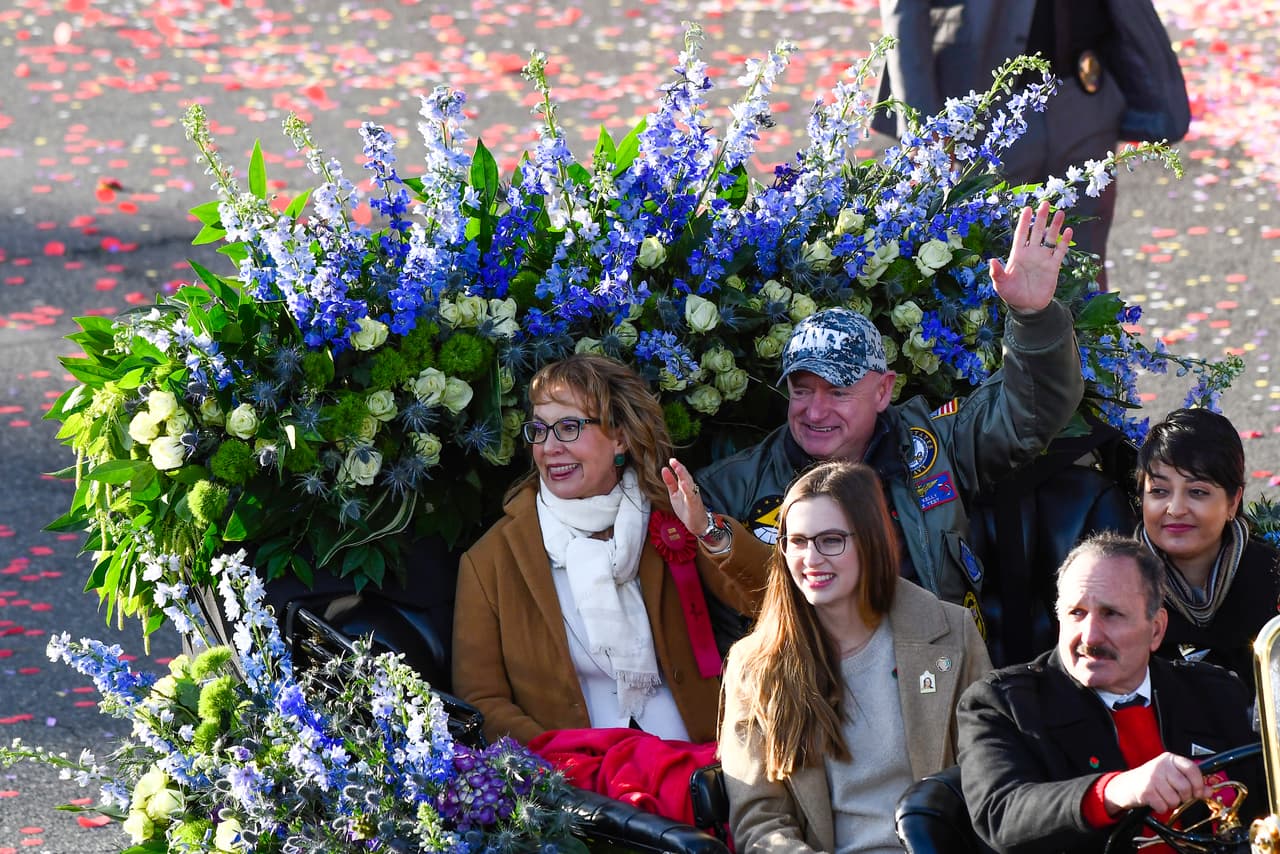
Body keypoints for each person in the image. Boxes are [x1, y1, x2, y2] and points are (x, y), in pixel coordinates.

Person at [697, 201, 1084, 622]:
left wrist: (1032, 316)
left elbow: (1032, 410)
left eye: (839, 391)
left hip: (939, 673)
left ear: (884, 390)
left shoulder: (938, 449)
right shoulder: (729, 491)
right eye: (801, 390)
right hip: (814, 684)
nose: (815, 410)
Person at [451, 353, 768, 745]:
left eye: (568, 427)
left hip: (704, 765)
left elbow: (771, 600)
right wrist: (566, 767)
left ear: (620, 437)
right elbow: (481, 701)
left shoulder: (670, 517)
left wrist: (705, 528)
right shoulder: (490, 560)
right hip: (584, 790)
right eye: (539, 430)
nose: (550, 447)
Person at [719, 460, 991, 853]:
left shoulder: (952, 631)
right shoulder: (756, 664)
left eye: (830, 540)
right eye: (796, 541)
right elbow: (759, 820)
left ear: (870, 541)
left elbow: (990, 776)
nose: (810, 559)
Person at [957, 533, 1259, 854]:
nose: (1090, 635)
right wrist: (1115, 790)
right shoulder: (1002, 703)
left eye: (1111, 614)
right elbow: (1000, 814)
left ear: (1156, 629)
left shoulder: (1214, 692)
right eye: (1077, 613)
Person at [874, 1, 1126, 284]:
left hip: (1083, 96)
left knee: (1083, 279)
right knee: (977, 277)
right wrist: (925, 127)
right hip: (980, 107)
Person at [1137, 407, 1280, 693]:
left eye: (1198, 492)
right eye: (1159, 491)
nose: (1175, 510)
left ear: (1233, 501)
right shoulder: (1116, 582)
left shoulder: (1272, 576)